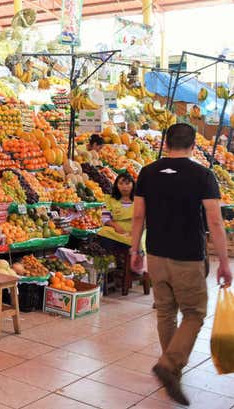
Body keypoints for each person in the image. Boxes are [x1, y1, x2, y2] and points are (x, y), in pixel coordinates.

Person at [129, 123, 232, 406]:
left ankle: (172, 371)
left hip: (156, 254)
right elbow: (214, 221)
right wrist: (224, 262)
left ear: (165, 143)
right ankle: (169, 364)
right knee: (194, 313)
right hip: (187, 257)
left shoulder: (147, 172)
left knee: (165, 312)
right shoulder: (203, 175)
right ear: (193, 145)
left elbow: (138, 216)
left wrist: (135, 249)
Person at [99, 173, 136, 246]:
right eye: (121, 183)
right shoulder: (109, 199)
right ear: (116, 185)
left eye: (127, 183)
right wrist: (115, 226)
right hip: (114, 231)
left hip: (133, 233)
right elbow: (105, 217)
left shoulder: (140, 201)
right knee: (103, 231)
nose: (124, 187)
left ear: (133, 185)